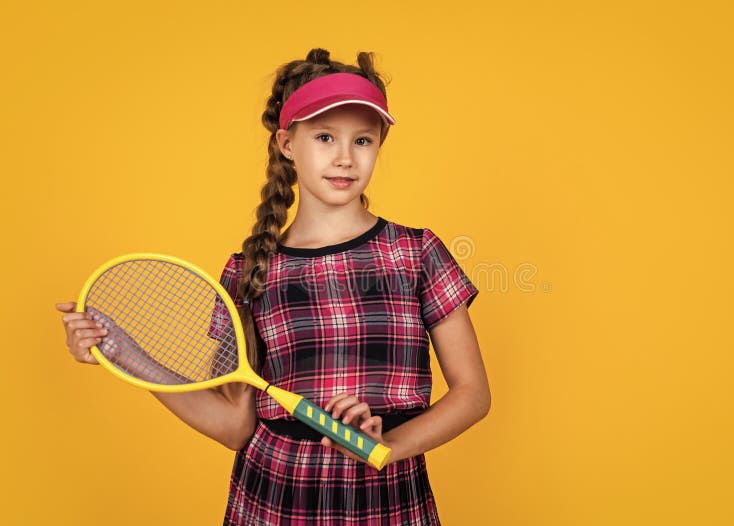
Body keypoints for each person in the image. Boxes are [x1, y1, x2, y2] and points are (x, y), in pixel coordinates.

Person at [56, 47, 490, 525]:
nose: (345, 158)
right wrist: (122, 352)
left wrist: (390, 444)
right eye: (325, 137)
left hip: (388, 503)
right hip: (273, 504)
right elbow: (234, 426)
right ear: (287, 144)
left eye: (362, 141)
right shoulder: (249, 272)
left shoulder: (415, 252)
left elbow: (472, 393)